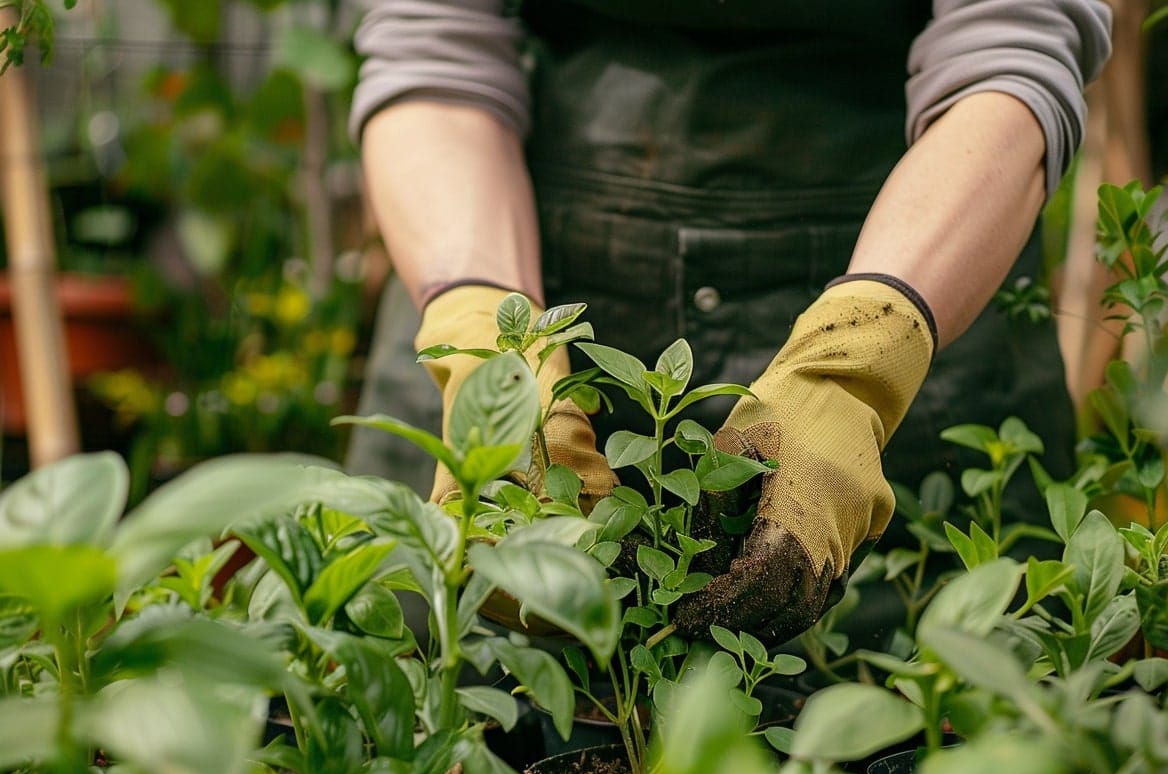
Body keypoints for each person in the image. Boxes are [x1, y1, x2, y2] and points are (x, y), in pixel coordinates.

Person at [344, 0, 1113, 650]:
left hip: (932, 253)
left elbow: (1010, 41)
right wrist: (489, 338)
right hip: (504, 236)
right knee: (451, 755)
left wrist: (857, 362)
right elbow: (434, 44)